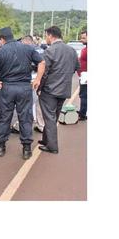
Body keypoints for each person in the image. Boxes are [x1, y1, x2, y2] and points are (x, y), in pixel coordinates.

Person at [0, 27, 44, 160]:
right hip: (24, 88)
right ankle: (27, 149)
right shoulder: (27, 48)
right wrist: (38, 79)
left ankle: (1, 147)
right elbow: (41, 62)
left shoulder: (1, 52)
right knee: (25, 117)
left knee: (4, 117)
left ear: (2, 39)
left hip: (8, 88)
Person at [35, 26, 80, 154]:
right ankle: (46, 140)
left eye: (46, 36)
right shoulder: (71, 50)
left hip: (50, 89)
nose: (46, 39)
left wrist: (40, 87)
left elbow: (44, 72)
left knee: (48, 117)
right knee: (53, 116)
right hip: (64, 89)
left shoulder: (50, 51)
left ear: (50, 35)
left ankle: (52, 146)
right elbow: (76, 67)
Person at [78, 30, 87, 121]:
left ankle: (83, 114)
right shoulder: (85, 49)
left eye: (84, 38)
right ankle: (82, 111)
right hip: (83, 75)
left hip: (86, 75)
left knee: (84, 95)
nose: (81, 40)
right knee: (83, 94)